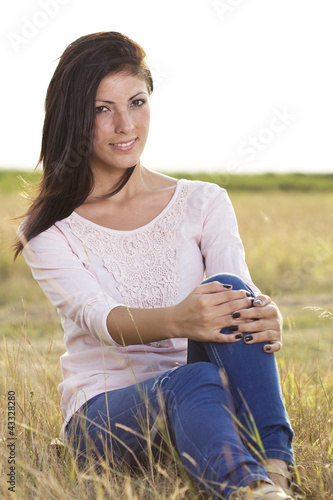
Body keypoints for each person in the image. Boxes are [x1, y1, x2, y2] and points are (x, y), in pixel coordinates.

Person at [15, 32, 303, 499]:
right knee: (192, 379)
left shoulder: (204, 201)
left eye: (137, 102)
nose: (125, 125)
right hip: (107, 417)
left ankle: (275, 472)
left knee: (229, 295)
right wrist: (178, 319)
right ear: (73, 116)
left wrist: (264, 313)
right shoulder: (50, 228)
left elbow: (236, 296)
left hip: (212, 395)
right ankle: (249, 490)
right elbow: (98, 318)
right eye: (101, 109)